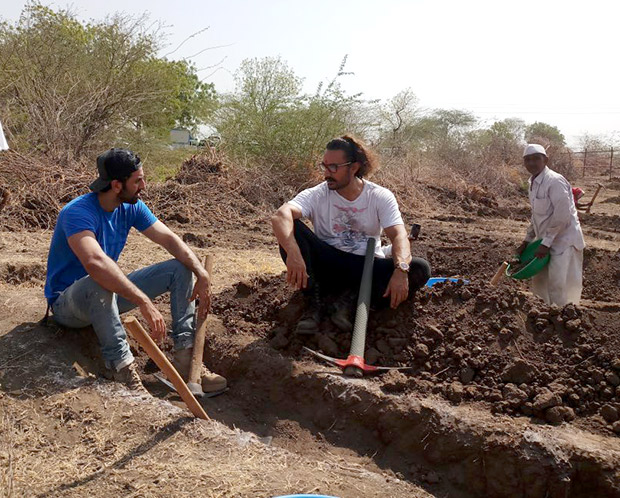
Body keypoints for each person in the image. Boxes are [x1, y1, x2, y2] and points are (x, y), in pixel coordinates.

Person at [44, 148, 226, 393]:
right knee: (99, 280)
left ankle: (186, 360)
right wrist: (142, 300)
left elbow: (170, 240)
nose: (144, 185)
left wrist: (201, 272)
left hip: (104, 297)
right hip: (69, 305)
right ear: (117, 185)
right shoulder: (77, 213)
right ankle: (121, 369)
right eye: (138, 180)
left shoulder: (131, 207)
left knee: (179, 268)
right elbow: (96, 263)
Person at [271, 135, 431, 334]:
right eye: (324, 166)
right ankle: (315, 303)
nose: (326, 174)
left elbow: (399, 235)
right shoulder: (318, 194)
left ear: (354, 167)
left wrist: (401, 270)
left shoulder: (379, 196)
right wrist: (294, 254)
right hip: (328, 264)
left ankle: (349, 302)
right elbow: (280, 216)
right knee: (291, 229)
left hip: (366, 267)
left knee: (420, 268)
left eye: (334, 167)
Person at [516, 144, 585, 306]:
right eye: (528, 160)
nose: (532, 163)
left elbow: (562, 215)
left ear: (545, 160)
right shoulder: (532, 183)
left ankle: (564, 320)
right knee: (540, 282)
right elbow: (536, 215)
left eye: (536, 159)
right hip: (545, 242)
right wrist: (527, 241)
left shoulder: (554, 181)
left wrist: (546, 243)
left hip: (564, 241)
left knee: (559, 284)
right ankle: (542, 317)